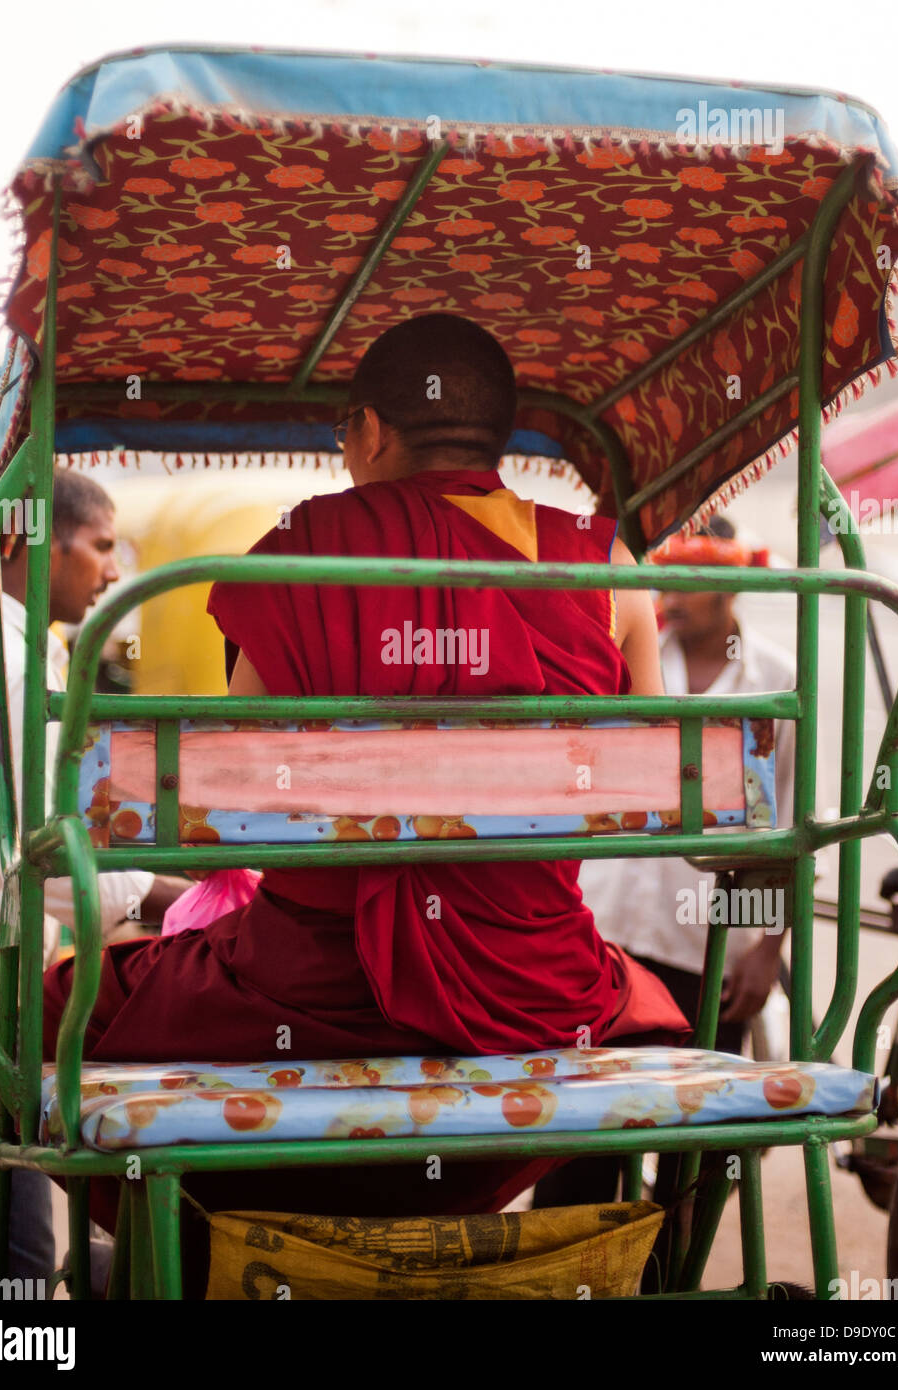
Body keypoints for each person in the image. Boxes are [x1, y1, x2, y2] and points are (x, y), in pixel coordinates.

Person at [42, 313, 690, 1226]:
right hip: (541, 987)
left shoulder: (311, 548)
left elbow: (232, 791)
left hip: (310, 986)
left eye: (346, 434)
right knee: (652, 1004)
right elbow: (666, 783)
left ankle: (198, 1255)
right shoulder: (608, 567)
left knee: (48, 1006)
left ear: (373, 430)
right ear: (495, 433)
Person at [0, 470, 184, 1296]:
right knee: (8, 1266)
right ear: (23, 543)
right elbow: (30, 853)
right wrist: (160, 899)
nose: (113, 572)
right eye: (102, 546)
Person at [532, 517, 796, 1208]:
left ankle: (668, 1276)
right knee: (584, 1135)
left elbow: (786, 827)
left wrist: (766, 947)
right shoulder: (626, 657)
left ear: (730, 585)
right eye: (668, 577)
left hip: (709, 947)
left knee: (694, 1146)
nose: (673, 595)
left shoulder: (775, 680)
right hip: (609, 934)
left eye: (693, 580)